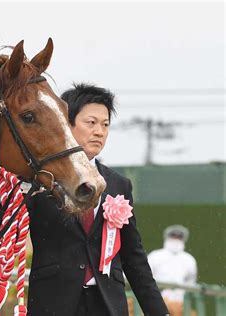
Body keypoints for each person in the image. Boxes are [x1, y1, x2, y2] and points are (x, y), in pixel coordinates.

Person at [26, 83, 169, 316]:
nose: (99, 132)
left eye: (105, 125)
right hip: (53, 304)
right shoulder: (41, 181)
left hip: (107, 305)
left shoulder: (119, 184)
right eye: (90, 123)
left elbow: (134, 258)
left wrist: (159, 312)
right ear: (67, 123)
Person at [148, 225, 197, 303]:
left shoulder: (189, 259)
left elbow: (191, 281)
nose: (176, 240)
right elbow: (146, 276)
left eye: (179, 237)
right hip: (156, 299)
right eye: (173, 236)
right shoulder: (155, 255)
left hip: (180, 302)